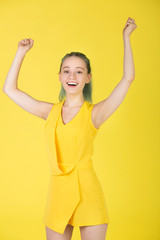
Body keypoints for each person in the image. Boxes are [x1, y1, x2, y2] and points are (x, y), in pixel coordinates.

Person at [3, 17, 137, 240]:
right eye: (66, 71)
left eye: (78, 71)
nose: (71, 76)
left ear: (87, 78)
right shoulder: (49, 111)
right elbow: (9, 89)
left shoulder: (95, 113)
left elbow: (127, 78)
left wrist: (126, 37)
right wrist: (21, 53)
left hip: (88, 194)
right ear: (59, 77)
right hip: (58, 193)